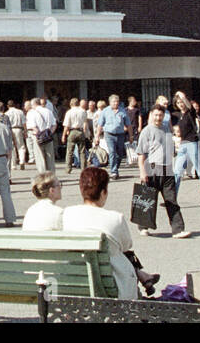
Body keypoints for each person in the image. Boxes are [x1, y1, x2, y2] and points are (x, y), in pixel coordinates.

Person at [62, 168, 157, 299]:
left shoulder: (68, 213)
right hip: (112, 285)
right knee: (120, 254)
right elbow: (126, 245)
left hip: (78, 280)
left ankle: (143, 278)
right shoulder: (115, 218)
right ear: (103, 192)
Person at [136, 106, 188, 237]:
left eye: (160, 115)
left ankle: (178, 230)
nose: (158, 118)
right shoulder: (146, 131)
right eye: (156, 115)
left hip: (167, 169)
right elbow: (141, 154)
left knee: (171, 200)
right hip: (152, 168)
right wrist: (142, 172)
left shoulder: (166, 129)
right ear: (151, 115)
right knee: (147, 199)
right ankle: (143, 226)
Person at [171, 95, 200, 205]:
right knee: (177, 171)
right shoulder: (180, 115)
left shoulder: (190, 113)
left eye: (181, 102)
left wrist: (182, 96)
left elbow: (190, 106)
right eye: (178, 103)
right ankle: (171, 199)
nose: (180, 104)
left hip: (192, 143)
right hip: (183, 144)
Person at [95, 96, 128, 179]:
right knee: (112, 152)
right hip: (109, 134)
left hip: (120, 135)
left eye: (117, 101)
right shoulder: (105, 111)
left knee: (120, 154)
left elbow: (128, 124)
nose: (116, 103)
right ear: (110, 102)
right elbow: (100, 125)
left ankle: (116, 167)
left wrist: (130, 135)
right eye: (114, 102)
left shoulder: (122, 111)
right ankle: (113, 172)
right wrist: (97, 137)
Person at [60, 99, 88, 173]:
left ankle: (68, 168)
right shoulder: (83, 111)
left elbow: (66, 125)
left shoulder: (69, 112)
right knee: (82, 151)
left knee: (69, 151)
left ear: (70, 104)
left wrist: (63, 135)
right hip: (80, 131)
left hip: (72, 131)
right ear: (78, 103)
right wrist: (85, 132)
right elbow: (85, 123)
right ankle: (83, 168)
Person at [4, 100, 27, 170]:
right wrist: (25, 131)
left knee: (11, 147)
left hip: (10, 129)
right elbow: (24, 122)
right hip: (19, 129)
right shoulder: (20, 112)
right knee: (21, 146)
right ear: (14, 105)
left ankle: (13, 165)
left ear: (7, 106)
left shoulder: (6, 113)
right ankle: (22, 161)